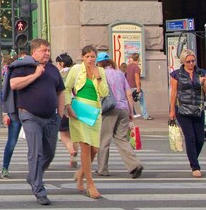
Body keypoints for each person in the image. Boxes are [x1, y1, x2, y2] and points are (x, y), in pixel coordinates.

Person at [10, 38, 66, 206]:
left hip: (51, 117)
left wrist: (60, 114)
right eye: (44, 50)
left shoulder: (53, 69)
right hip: (30, 115)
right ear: (34, 51)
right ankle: (39, 190)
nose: (47, 53)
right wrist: (35, 75)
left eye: (48, 50)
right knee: (36, 152)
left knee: (49, 153)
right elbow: (14, 84)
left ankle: (34, 175)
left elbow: (60, 91)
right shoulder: (23, 67)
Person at [64, 45, 110, 199]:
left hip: (95, 111)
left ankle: (81, 173)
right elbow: (66, 88)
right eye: (87, 57)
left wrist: (98, 77)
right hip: (80, 110)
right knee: (85, 146)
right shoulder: (76, 69)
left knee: (95, 149)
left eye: (92, 56)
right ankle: (90, 185)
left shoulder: (101, 71)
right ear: (82, 57)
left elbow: (104, 93)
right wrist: (68, 106)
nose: (90, 59)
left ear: (96, 57)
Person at [95, 53, 144, 179]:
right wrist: (131, 112)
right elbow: (129, 93)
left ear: (99, 63)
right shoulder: (120, 74)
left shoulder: (100, 74)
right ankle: (134, 164)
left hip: (109, 109)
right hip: (123, 109)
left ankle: (102, 169)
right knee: (122, 138)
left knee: (104, 139)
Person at [169, 49, 206, 178]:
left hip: (198, 109)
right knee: (190, 138)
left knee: (200, 139)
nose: (191, 64)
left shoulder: (201, 73)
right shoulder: (177, 74)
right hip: (182, 109)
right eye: (188, 61)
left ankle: (193, 157)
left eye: (193, 61)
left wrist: (203, 83)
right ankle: (195, 166)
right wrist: (172, 111)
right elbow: (174, 93)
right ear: (183, 62)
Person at [55, 53, 78, 167]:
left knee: (63, 133)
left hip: (64, 106)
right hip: (77, 106)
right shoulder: (76, 73)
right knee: (75, 134)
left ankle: (71, 151)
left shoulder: (59, 75)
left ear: (61, 63)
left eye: (57, 63)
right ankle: (73, 156)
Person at [0, 55, 21, 179]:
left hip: (28, 112)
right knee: (12, 141)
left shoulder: (33, 72)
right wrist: (5, 113)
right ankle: (5, 167)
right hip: (15, 112)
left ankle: (37, 168)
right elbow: (5, 94)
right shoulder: (11, 73)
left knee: (34, 142)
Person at [126, 52, 151, 119]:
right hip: (134, 87)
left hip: (128, 87)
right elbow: (137, 79)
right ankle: (145, 115)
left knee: (130, 101)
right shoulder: (136, 67)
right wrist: (138, 88)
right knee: (142, 101)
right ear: (138, 59)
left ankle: (133, 113)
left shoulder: (128, 66)